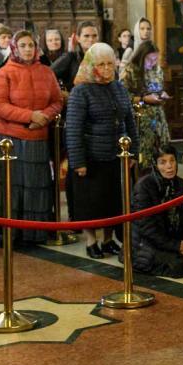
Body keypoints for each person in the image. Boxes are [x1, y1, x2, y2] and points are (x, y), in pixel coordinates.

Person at [0, 30, 63, 242]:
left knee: (36, 185)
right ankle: (8, 234)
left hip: (38, 135)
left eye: (31, 45)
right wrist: (30, 115)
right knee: (10, 186)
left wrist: (44, 117)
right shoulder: (5, 72)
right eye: (23, 45)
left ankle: (34, 233)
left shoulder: (47, 72)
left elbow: (57, 101)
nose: (28, 49)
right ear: (14, 48)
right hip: (9, 138)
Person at [63, 43, 137, 259]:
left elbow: (129, 121)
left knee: (112, 201)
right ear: (91, 66)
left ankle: (107, 240)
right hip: (91, 158)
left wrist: (133, 151)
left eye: (110, 64)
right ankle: (91, 241)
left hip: (116, 155)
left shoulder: (118, 87)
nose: (106, 69)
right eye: (101, 64)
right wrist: (78, 162)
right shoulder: (80, 91)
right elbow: (74, 129)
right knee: (91, 202)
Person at [131, 143, 183, 276]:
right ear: (155, 165)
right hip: (145, 244)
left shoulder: (180, 184)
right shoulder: (144, 186)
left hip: (171, 240)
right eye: (163, 162)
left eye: (172, 160)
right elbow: (147, 228)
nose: (169, 166)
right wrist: (176, 246)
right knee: (178, 266)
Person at [123, 39, 171, 170]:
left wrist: (162, 94)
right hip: (139, 121)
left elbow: (157, 88)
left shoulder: (157, 70)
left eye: (155, 59)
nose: (153, 63)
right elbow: (123, 96)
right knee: (144, 162)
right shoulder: (130, 70)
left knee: (161, 156)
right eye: (149, 60)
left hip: (158, 119)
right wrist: (144, 99)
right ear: (141, 57)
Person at [51, 21, 98, 92]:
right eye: (86, 36)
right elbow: (48, 74)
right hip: (75, 100)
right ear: (78, 38)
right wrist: (61, 92)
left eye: (94, 36)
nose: (91, 39)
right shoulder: (71, 57)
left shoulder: (103, 57)